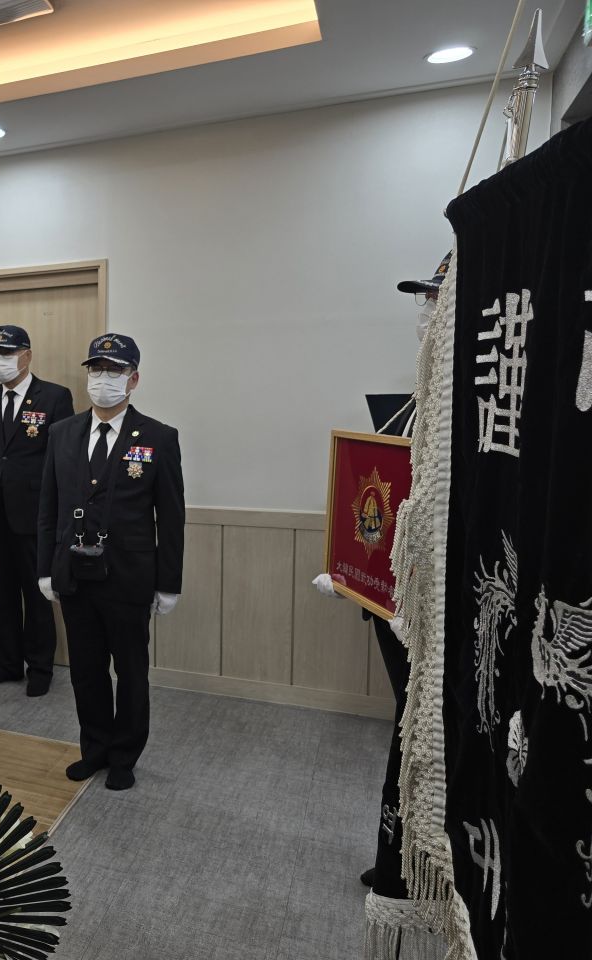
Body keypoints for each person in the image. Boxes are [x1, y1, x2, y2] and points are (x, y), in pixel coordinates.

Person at [315, 251, 447, 891]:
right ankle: (398, 862)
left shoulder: (487, 409)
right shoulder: (414, 404)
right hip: (394, 604)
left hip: (445, 608)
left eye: (440, 299)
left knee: (433, 736)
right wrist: (352, 569)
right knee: (408, 725)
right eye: (425, 300)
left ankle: (430, 870)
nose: (428, 313)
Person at [37, 334, 184, 791]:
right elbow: (48, 506)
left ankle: (124, 754)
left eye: (114, 370)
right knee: (85, 670)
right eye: (96, 369)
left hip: (129, 576)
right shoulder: (62, 433)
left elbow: (171, 516)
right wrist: (44, 567)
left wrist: (169, 583)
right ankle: (95, 748)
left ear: (133, 379)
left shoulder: (158, 437)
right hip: (74, 575)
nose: (103, 379)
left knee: (131, 671)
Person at [0, 324, 74, 697]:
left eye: (6, 354)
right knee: (2, 595)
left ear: (27, 356)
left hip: (34, 515)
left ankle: (41, 667)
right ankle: (9, 662)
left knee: (36, 597)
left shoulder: (54, 397)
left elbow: (61, 458)